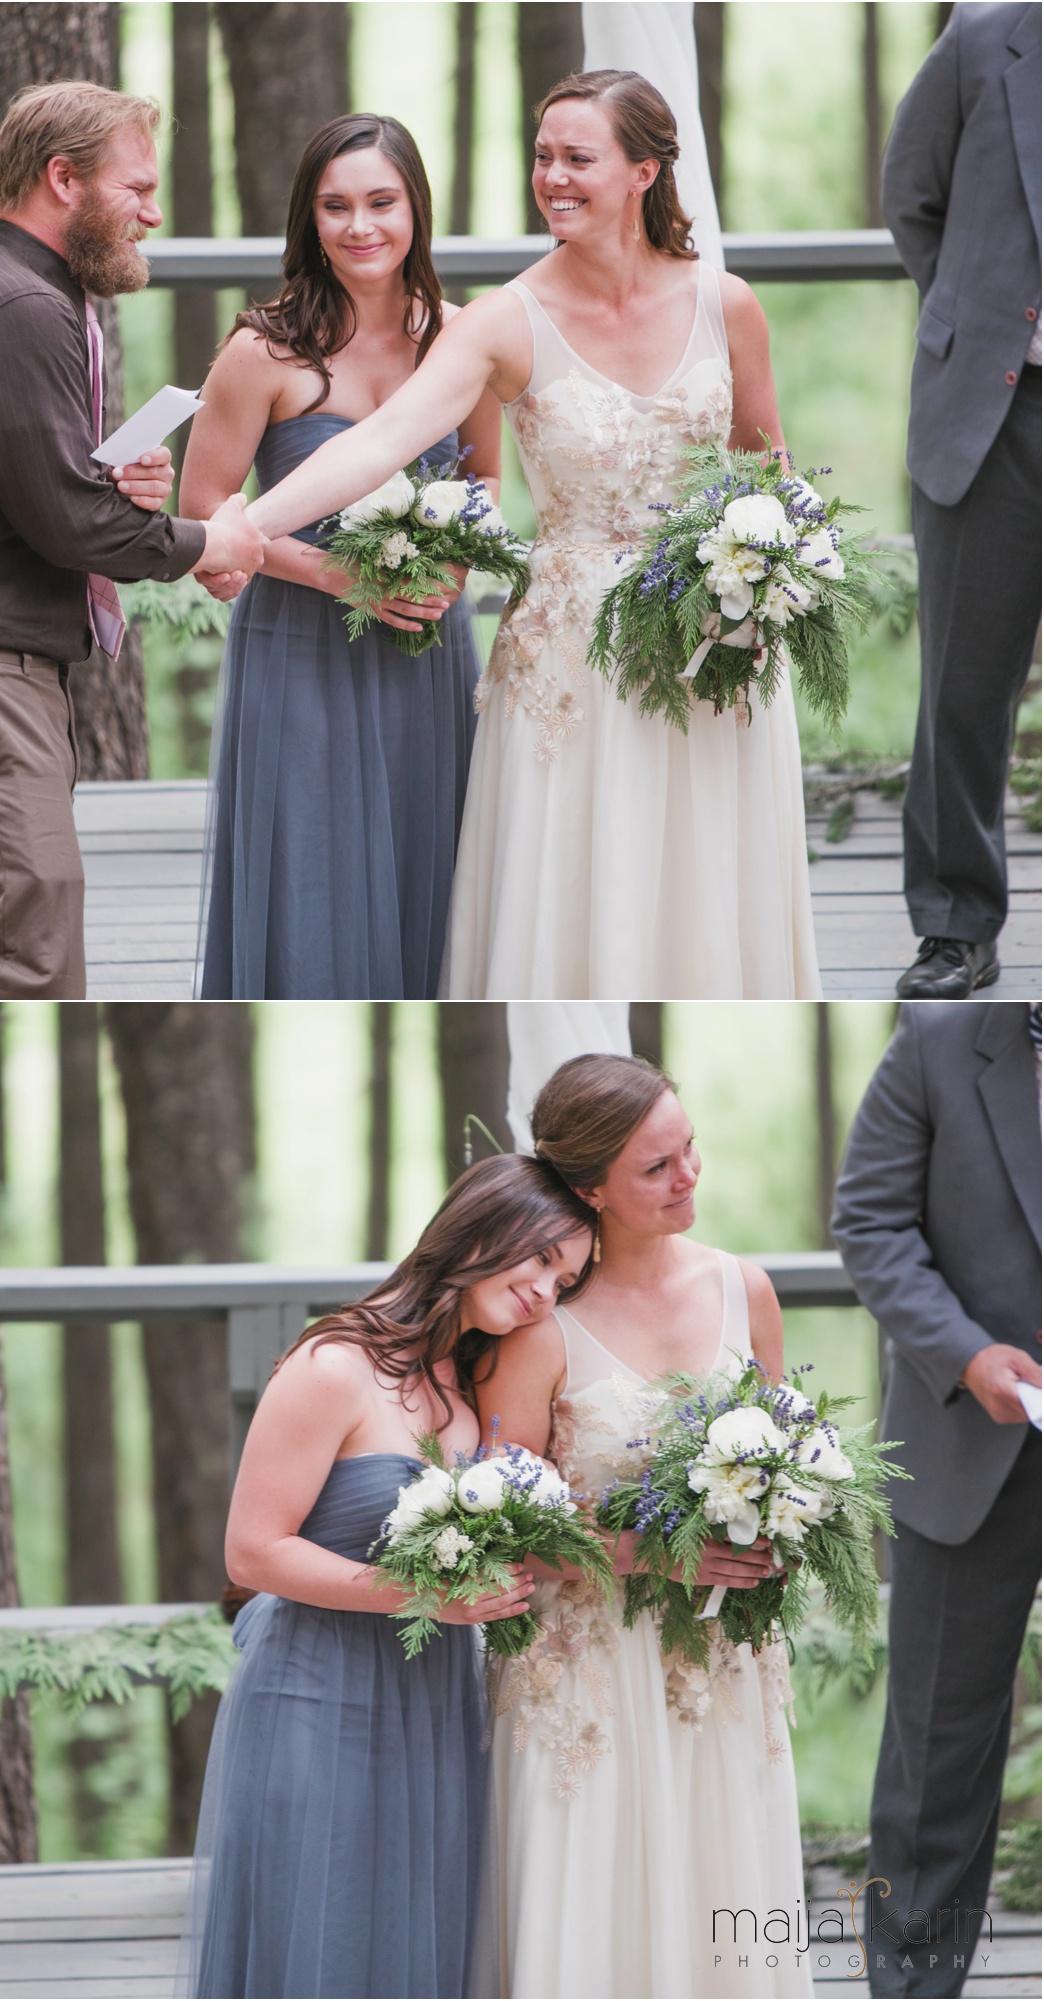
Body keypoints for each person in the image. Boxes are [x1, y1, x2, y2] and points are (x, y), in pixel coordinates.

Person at [238, 71, 820, 1001]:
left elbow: (766, 471)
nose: (552, 176)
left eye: (578, 158)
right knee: (582, 893)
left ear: (645, 170)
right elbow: (384, 441)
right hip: (572, 661)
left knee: (708, 884)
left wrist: (773, 573)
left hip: (719, 645)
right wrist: (241, 525)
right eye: (542, 156)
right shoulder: (505, 319)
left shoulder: (728, 303)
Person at [0, 81, 262, 1000]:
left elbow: (40, 495)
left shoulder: (25, 299)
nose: (155, 214)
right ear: (64, 179)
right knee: (20, 969)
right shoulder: (18, 311)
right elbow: (65, 522)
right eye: (139, 189)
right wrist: (208, 537)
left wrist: (119, 484)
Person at [177, 1154, 595, 2000]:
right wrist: (426, 1597)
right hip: (318, 1696)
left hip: (436, 1706)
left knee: (416, 1947)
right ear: (484, 1226)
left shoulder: (472, 1382)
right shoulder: (335, 1362)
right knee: (323, 1938)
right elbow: (252, 1551)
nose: (549, 1291)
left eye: (569, 1279)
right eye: (543, 1258)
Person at [472, 1054, 808, 1999]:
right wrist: (641, 1547)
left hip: (722, 1659)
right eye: (657, 1167)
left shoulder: (746, 1289)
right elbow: (500, 1524)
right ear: (589, 1189)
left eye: (689, 1147)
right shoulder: (540, 1330)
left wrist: (784, 1522)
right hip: (588, 1676)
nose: (689, 1174)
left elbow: (790, 1459)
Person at [183, 115, 498, 1000]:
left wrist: (453, 575)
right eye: (336, 206)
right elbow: (205, 511)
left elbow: (485, 487)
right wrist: (337, 575)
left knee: (428, 861)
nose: (361, 226)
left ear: (416, 210)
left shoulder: (463, 339)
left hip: (427, 653)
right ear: (308, 219)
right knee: (311, 874)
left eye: (381, 202)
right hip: (299, 649)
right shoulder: (261, 350)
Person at [831, 1004, 1041, 1999]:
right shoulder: (938, 1041)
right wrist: (965, 1354)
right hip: (973, 1443)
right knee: (937, 1759)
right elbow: (869, 1223)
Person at [882, 6, 1041, 999]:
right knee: (965, 684)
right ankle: (953, 926)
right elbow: (912, 193)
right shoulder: (988, 36)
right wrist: (981, 323)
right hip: (997, 407)